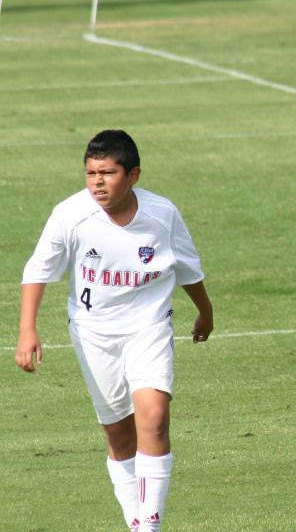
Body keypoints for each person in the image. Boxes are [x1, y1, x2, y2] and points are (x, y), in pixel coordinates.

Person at [15, 129, 214, 532]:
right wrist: (27, 329)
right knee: (120, 435)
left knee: (154, 418)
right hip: (93, 333)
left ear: (134, 174)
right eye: (90, 173)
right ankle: (136, 522)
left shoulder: (162, 215)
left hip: (149, 326)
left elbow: (187, 267)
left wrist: (205, 311)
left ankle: (149, 526)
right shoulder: (70, 214)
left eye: (107, 172)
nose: (97, 183)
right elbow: (38, 270)